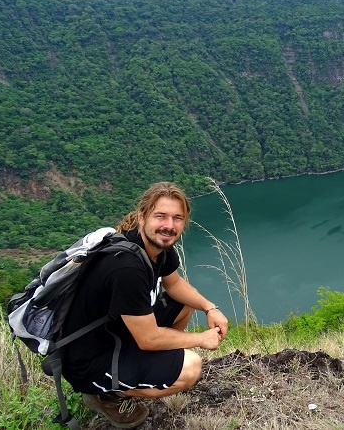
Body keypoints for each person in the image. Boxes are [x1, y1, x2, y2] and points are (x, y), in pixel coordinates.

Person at [62, 182, 228, 429]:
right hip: (90, 360)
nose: (169, 226)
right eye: (160, 216)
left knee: (184, 304)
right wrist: (201, 339)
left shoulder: (158, 247)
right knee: (191, 368)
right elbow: (148, 339)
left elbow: (174, 285)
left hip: (118, 335)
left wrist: (210, 307)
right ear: (142, 216)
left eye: (177, 218)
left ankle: (153, 365)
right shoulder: (127, 267)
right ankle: (106, 396)